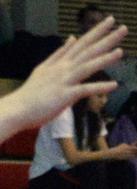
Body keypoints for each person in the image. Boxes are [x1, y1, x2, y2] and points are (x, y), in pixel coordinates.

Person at [0, 15, 126, 146]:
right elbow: (73, 158)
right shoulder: (64, 117)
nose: (104, 100)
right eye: (100, 96)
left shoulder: (91, 117)